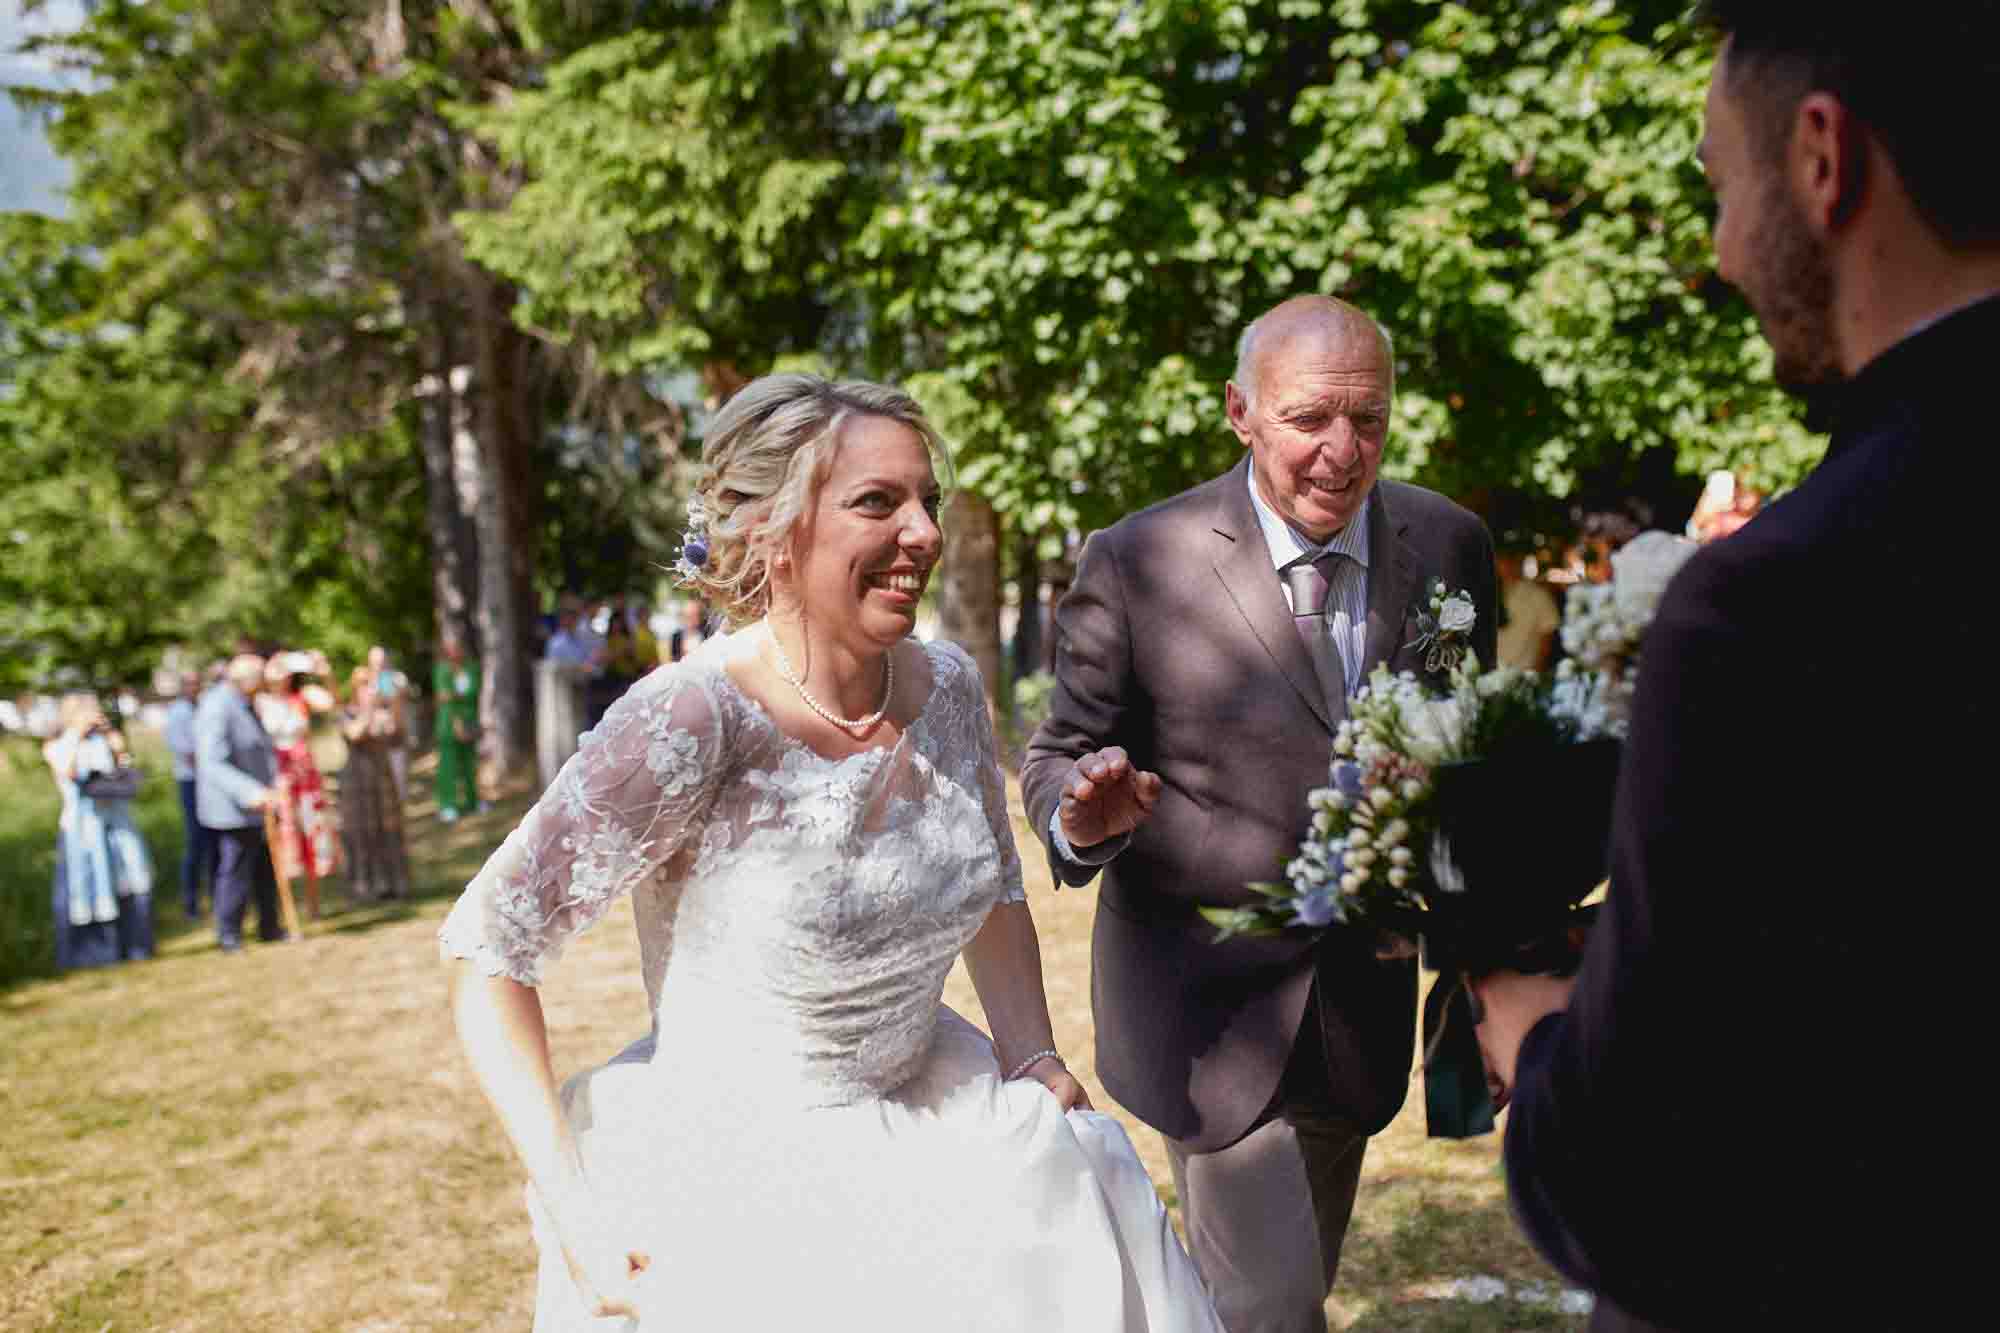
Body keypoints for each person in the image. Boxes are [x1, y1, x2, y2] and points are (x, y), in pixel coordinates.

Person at [440, 373, 1222, 1332]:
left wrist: (1032, 1052)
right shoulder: (694, 717)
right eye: (878, 502)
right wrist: (575, 1207)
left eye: (928, 499)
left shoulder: (947, 686)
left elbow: (992, 882)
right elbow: (486, 948)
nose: (924, 532)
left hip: (952, 1131)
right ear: (774, 533)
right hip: (744, 1185)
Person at [1470, 6, 2000, 1329]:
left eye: (1719, 185)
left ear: (1821, 159)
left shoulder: (1783, 601)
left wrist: (1537, 1032)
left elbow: (1641, 1184)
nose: (1716, 249)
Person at [1021, 295, 1497, 1333]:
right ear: (1240, 410)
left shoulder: (1448, 545)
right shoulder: (1137, 558)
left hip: (1358, 1004)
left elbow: (1469, 758)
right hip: (1205, 1011)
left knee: (1278, 1299)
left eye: (1368, 418)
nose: (1343, 450)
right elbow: (1057, 754)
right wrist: (1084, 818)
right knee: (1274, 1310)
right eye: (1309, 418)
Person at [45, 694, 156, 967]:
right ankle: (91, 954)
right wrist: (77, 734)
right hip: (82, 830)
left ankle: (133, 945)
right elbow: (67, 771)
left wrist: (119, 749)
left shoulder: (102, 741)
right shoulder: (57, 745)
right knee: (87, 885)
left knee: (128, 882)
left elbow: (124, 774)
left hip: (115, 823)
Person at [195, 655, 286, 952]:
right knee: (235, 870)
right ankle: (229, 933)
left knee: (264, 868)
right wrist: (250, 792)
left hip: (259, 805)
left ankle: (269, 926)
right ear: (246, 680)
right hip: (232, 808)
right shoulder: (217, 706)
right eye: (261, 678)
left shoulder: (245, 703)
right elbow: (212, 761)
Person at [256, 652, 340, 919]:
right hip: (279, 778)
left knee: (311, 834)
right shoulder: (260, 701)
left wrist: (324, 673)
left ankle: (313, 904)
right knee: (285, 838)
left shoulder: (301, 697)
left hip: (305, 778)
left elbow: (330, 703)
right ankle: (286, 909)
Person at [338, 665, 411, 901]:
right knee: (362, 832)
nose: (369, 690)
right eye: (363, 686)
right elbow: (355, 734)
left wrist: (396, 702)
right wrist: (369, 708)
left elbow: (397, 734)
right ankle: (365, 885)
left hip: (382, 779)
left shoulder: (382, 713)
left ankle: (394, 883)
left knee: (389, 830)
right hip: (357, 782)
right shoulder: (347, 713)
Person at [163, 670, 219, 920]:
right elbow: (189, 753)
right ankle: (191, 902)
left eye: (197, 683)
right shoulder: (178, 713)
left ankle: (217, 897)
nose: (195, 688)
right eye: (190, 684)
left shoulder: (204, 708)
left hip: (209, 781)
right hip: (192, 782)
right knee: (195, 842)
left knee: (214, 840)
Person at [432, 633, 483, 823]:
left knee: (470, 765)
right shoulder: (442, 670)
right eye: (450, 648)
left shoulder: (471, 668)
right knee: (448, 767)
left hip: (469, 722)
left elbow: (474, 690)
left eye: (458, 647)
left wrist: (455, 695)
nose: (455, 651)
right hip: (448, 725)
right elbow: (443, 696)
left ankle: (473, 802)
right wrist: (456, 718)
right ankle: (448, 805)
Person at [1495, 551, 1560, 671]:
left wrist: (1535, 671)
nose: (1506, 565)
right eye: (1501, 561)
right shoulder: (1484, 594)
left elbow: (1547, 638)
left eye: (1510, 560)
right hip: (1491, 675)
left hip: (1525, 673)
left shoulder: (1538, 595)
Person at [366, 645, 410, 798]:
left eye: (381, 661)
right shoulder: (366, 681)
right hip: (374, 740)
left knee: (398, 778)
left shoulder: (398, 678)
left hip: (396, 737)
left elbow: (402, 696)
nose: (379, 665)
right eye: (375, 662)